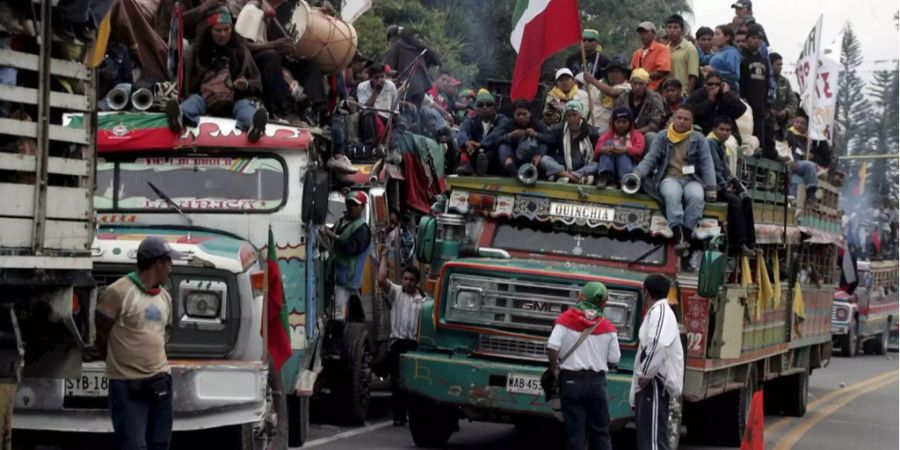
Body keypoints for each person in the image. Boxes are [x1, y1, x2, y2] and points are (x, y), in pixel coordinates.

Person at [95, 236, 177, 450]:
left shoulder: (165, 298)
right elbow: (99, 332)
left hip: (160, 382)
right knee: (133, 445)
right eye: (169, 263)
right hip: (127, 385)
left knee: (160, 444)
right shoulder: (118, 292)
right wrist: (116, 362)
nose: (171, 268)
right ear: (158, 263)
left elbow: (164, 333)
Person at [165, 7, 268, 142]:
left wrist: (245, 85)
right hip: (205, 100)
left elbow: (255, 80)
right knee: (194, 102)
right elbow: (187, 80)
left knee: (244, 107)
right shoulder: (196, 52)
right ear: (210, 30)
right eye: (218, 30)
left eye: (227, 29)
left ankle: (254, 127)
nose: (223, 34)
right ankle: (179, 118)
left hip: (234, 101)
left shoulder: (241, 51)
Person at [547, 282, 620, 450]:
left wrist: (554, 369)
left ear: (581, 296)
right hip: (597, 383)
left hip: (571, 382)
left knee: (575, 432)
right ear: (604, 303)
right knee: (601, 432)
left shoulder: (565, 320)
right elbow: (614, 358)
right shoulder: (608, 327)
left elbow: (552, 346)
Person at [633, 105, 717, 250]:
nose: (682, 121)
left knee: (697, 197)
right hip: (670, 178)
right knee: (672, 195)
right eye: (679, 117)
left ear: (692, 122)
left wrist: (711, 187)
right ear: (673, 118)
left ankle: (686, 234)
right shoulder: (662, 136)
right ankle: (678, 234)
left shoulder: (699, 139)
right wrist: (637, 174)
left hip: (692, 179)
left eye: (686, 119)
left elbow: (706, 163)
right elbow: (651, 158)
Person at [630, 274, 684, 450]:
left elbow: (657, 343)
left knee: (652, 442)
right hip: (652, 381)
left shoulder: (661, 312)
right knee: (649, 439)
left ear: (646, 292)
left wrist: (645, 373)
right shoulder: (658, 312)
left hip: (654, 382)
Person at [376, 244, 425, 427]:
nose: (407, 282)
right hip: (397, 343)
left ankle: (413, 415)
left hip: (414, 345)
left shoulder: (424, 301)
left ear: (416, 282)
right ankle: (398, 416)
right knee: (397, 381)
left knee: (413, 383)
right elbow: (381, 279)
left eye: (411, 280)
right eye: (404, 279)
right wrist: (384, 256)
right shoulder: (396, 293)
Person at [707, 117, 756, 255]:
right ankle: (738, 245)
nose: (724, 132)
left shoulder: (720, 145)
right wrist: (724, 186)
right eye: (721, 129)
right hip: (711, 187)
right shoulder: (710, 143)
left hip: (721, 184)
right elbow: (714, 170)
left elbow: (726, 169)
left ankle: (750, 243)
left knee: (745, 198)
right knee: (735, 202)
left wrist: (736, 184)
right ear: (714, 129)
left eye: (727, 130)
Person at [323, 191, 372, 321]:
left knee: (338, 313)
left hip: (347, 278)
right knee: (332, 310)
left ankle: (337, 337)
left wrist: (334, 237)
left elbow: (352, 248)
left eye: (355, 204)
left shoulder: (362, 228)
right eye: (349, 203)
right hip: (336, 273)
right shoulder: (341, 221)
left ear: (362, 207)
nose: (350, 207)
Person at [540, 100, 600, 183]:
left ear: (580, 115)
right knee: (544, 159)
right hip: (563, 164)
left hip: (583, 165)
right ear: (566, 117)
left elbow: (595, 154)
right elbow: (551, 146)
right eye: (569, 116)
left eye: (574, 115)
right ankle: (570, 176)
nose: (572, 118)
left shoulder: (591, 131)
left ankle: (565, 176)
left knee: (597, 165)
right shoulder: (558, 130)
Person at [383, 25, 442, 107]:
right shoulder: (418, 48)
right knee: (413, 114)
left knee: (405, 114)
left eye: (390, 37)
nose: (390, 41)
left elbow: (387, 69)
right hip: (420, 89)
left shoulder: (397, 46)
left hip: (406, 90)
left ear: (394, 36)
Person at [740, 24, 775, 159]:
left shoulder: (764, 61)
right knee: (745, 139)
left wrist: (767, 104)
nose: (757, 41)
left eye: (759, 39)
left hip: (760, 109)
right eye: (754, 38)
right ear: (747, 39)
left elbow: (767, 83)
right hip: (745, 106)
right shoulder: (742, 57)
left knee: (759, 142)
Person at [493, 99, 555, 177]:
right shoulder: (508, 124)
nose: (521, 117)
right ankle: (511, 168)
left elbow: (552, 139)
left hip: (532, 159)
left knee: (543, 145)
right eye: (518, 114)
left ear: (530, 113)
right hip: (514, 159)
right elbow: (494, 140)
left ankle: (532, 169)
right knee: (503, 146)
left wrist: (536, 135)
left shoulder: (537, 124)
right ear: (513, 115)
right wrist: (510, 135)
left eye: (524, 114)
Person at [456, 89, 509, 176]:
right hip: (475, 153)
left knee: (498, 146)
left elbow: (496, 135)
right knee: (465, 141)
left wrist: (481, 144)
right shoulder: (471, 119)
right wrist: (466, 143)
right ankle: (468, 165)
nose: (484, 107)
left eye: (488, 104)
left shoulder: (502, 119)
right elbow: (462, 132)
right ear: (477, 108)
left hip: (494, 156)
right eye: (481, 105)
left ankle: (479, 166)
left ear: (494, 107)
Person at [594, 106, 645, 189]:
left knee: (623, 155)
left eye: (624, 122)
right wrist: (605, 149)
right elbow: (597, 149)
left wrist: (626, 149)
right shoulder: (607, 135)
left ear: (630, 123)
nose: (621, 125)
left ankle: (624, 181)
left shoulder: (637, 136)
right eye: (618, 122)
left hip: (630, 165)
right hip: (609, 164)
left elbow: (639, 150)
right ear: (613, 122)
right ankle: (605, 177)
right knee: (608, 143)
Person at [579, 55, 632, 134]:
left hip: (608, 127)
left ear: (625, 74)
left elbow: (613, 92)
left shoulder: (627, 86)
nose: (613, 74)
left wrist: (592, 80)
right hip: (590, 122)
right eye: (611, 71)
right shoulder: (600, 82)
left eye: (617, 71)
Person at [685, 71, 747, 136]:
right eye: (710, 84)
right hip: (703, 132)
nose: (713, 86)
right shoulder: (699, 94)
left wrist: (727, 94)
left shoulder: (726, 94)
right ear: (705, 84)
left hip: (725, 133)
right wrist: (709, 101)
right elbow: (690, 111)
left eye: (717, 84)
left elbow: (741, 109)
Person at [785, 113, 831, 202]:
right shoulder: (788, 134)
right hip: (791, 161)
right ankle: (811, 190)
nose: (799, 125)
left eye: (802, 123)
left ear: (806, 126)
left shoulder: (808, 139)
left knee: (817, 170)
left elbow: (826, 158)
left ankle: (794, 198)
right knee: (809, 165)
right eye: (797, 122)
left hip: (799, 165)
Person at [616, 68, 665, 143]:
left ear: (647, 85)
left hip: (644, 134)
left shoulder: (655, 99)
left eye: (641, 84)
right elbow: (614, 118)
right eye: (635, 83)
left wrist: (634, 133)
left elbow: (654, 125)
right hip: (623, 133)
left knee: (650, 136)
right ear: (630, 83)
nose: (637, 87)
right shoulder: (622, 98)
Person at [356, 64, 399, 149]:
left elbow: (395, 108)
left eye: (382, 76)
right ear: (370, 78)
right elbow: (364, 108)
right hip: (369, 118)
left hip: (387, 118)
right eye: (376, 77)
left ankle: (392, 148)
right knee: (368, 114)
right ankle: (369, 147)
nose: (380, 80)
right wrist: (376, 92)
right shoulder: (362, 87)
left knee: (401, 122)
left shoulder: (390, 86)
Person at [664, 15, 700, 94]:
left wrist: (687, 94)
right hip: (667, 94)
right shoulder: (664, 49)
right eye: (669, 27)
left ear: (682, 30)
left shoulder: (690, 49)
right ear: (665, 30)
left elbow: (693, 75)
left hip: (682, 94)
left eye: (675, 27)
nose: (672, 30)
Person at [631, 21, 671, 91]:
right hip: (638, 91)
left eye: (646, 32)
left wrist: (642, 76)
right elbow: (632, 73)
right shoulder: (636, 54)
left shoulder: (661, 49)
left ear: (654, 33)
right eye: (640, 32)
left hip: (656, 90)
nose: (643, 35)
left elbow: (663, 71)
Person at [769, 52, 798, 140]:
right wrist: (769, 110)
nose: (780, 67)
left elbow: (793, 101)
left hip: (780, 125)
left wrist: (785, 111)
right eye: (778, 64)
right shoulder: (763, 80)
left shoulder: (784, 82)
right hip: (766, 122)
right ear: (770, 65)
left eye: (781, 64)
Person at [704, 25, 741, 92]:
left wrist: (714, 71)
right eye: (714, 35)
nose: (714, 37)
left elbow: (735, 75)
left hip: (728, 90)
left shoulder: (731, 52)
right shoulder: (718, 53)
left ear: (727, 37)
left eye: (717, 34)